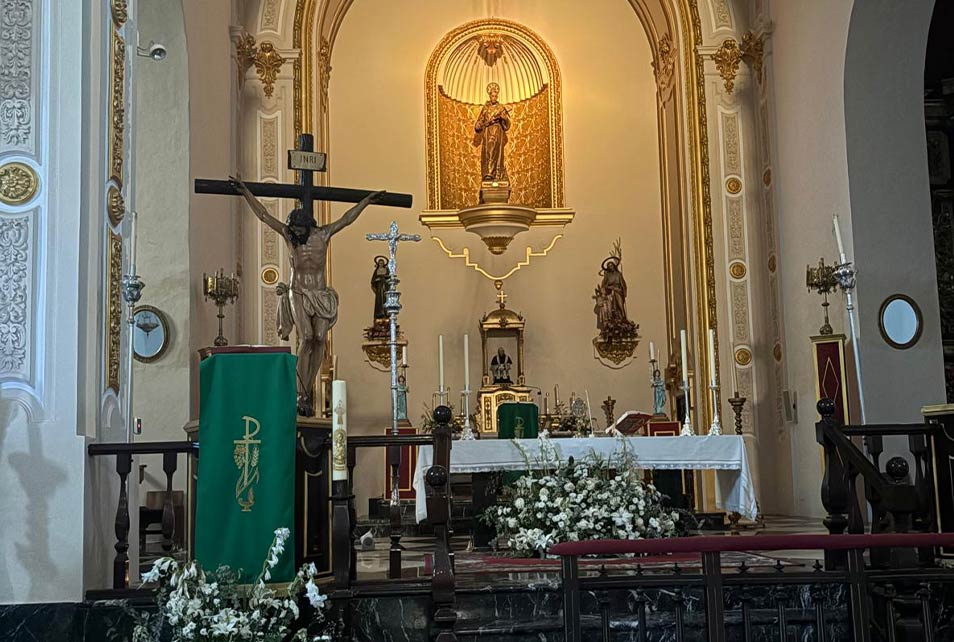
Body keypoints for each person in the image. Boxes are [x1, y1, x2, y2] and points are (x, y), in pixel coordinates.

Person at [231, 176, 386, 416]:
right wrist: (245, 192)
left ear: (307, 225)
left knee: (320, 339)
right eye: (292, 229)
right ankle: (300, 391)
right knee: (307, 337)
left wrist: (365, 201)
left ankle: (308, 385)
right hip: (298, 291)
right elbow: (263, 215)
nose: (294, 233)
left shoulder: (323, 234)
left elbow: (347, 219)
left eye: (298, 229)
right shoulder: (288, 235)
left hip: (320, 293)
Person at [473, 82, 511, 182]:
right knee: (487, 151)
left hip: (497, 131)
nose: (494, 97)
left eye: (495, 96)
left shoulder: (501, 108)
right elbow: (480, 120)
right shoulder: (486, 108)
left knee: (494, 151)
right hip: (487, 131)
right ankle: (487, 172)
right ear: (489, 96)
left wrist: (504, 118)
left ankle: (493, 173)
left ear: (497, 96)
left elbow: (507, 125)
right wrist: (477, 125)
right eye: (492, 96)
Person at [371, 256, 389, 322]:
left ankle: (385, 313)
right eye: (380, 263)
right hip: (379, 288)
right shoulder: (376, 271)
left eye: (382, 263)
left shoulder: (386, 270)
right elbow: (373, 280)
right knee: (379, 301)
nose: (381, 264)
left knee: (385, 299)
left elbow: (389, 279)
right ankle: (379, 314)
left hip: (385, 288)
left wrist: (384, 279)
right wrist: (378, 279)